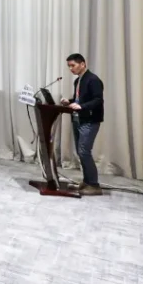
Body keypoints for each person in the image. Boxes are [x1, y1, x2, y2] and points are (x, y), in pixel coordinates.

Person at [60, 53, 105, 196]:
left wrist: (82, 107)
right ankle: (87, 182)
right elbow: (79, 99)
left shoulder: (93, 80)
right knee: (81, 152)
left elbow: (98, 100)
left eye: (73, 65)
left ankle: (94, 185)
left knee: (84, 152)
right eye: (69, 66)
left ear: (83, 64)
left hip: (89, 120)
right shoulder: (78, 80)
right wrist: (69, 101)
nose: (70, 69)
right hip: (78, 119)